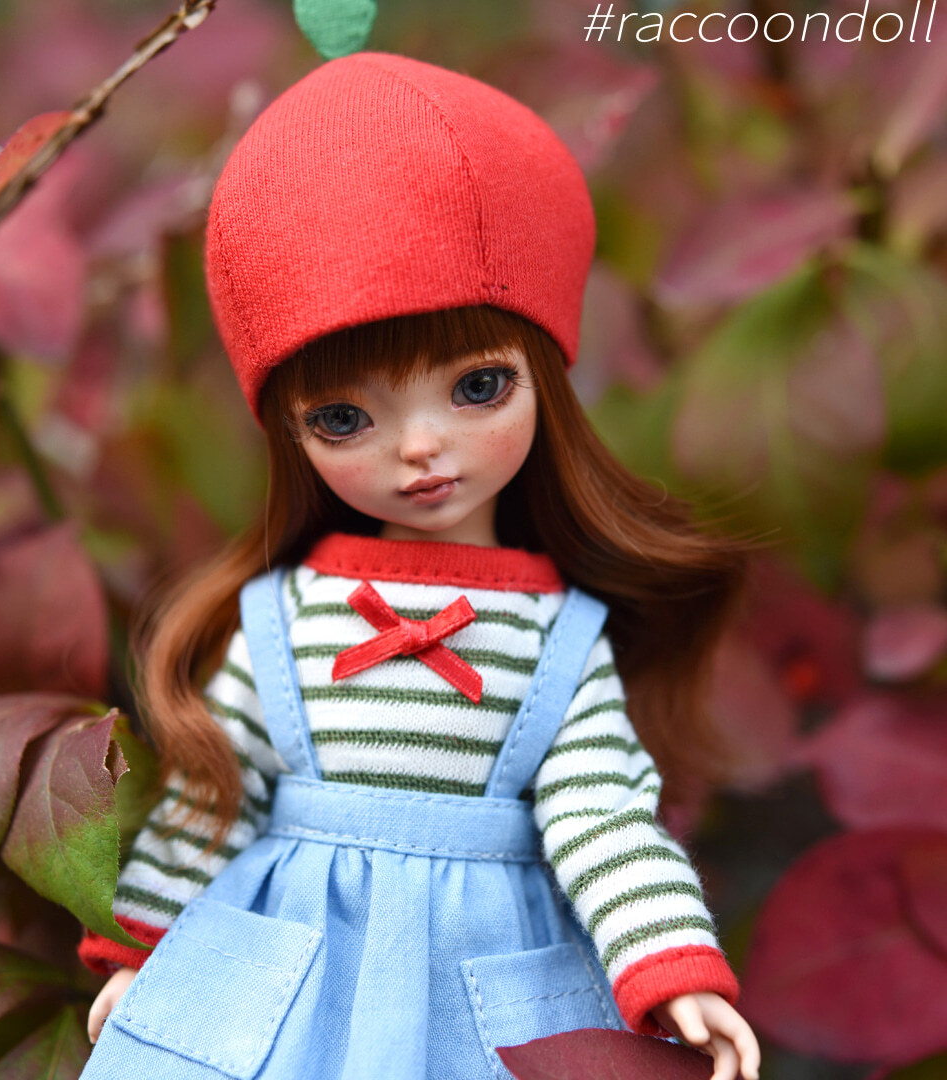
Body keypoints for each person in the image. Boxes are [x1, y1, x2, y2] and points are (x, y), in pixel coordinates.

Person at [78, 52, 761, 1080]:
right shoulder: (282, 618)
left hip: (486, 979)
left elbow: (601, 811)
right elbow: (215, 793)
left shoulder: (558, 637)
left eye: (478, 387)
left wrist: (671, 966)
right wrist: (142, 950)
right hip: (293, 976)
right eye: (345, 418)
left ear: (545, 382)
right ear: (290, 433)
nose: (422, 449)